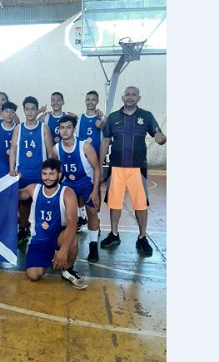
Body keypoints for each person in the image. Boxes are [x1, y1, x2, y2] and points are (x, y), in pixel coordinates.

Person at [98, 86, 167, 255]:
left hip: (138, 168)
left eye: (133, 94)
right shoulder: (113, 117)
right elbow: (105, 142)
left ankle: (142, 237)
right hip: (116, 168)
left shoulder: (147, 116)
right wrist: (99, 166)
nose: (130, 97)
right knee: (114, 203)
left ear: (139, 98)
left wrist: (162, 139)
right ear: (122, 98)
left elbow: (160, 136)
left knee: (140, 205)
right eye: (127, 94)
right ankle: (114, 234)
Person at [18, 158, 87, 289]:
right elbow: (16, 195)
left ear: (59, 175)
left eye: (51, 174)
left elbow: (73, 222)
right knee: (33, 275)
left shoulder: (67, 192)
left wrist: (64, 250)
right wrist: (10, 181)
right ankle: (51, 256)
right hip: (41, 238)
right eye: (44, 174)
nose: (47, 178)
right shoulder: (34, 189)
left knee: (71, 239)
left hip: (58, 235)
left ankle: (67, 269)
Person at [54, 115, 101, 262]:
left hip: (86, 183)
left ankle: (93, 245)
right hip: (68, 184)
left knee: (92, 212)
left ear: (74, 129)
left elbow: (97, 168)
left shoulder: (85, 146)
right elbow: (55, 171)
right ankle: (63, 243)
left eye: (68, 127)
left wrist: (95, 191)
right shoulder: (56, 149)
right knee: (65, 216)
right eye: (62, 127)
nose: (65, 130)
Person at [9, 96, 56, 244]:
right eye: (27, 109)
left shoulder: (43, 128)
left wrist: (51, 173)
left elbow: (50, 151)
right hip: (22, 173)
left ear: (37, 110)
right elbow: (13, 150)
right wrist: (11, 169)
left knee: (44, 203)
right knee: (24, 203)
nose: (30, 112)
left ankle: (45, 232)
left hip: (40, 174)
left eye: (33, 109)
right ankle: (23, 228)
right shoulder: (18, 128)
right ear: (24, 110)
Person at [75, 90, 106, 230]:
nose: (90, 102)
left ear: (97, 101)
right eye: (88, 99)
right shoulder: (80, 119)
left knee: (96, 190)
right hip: (82, 161)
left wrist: (103, 123)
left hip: (95, 162)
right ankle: (82, 216)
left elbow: (107, 138)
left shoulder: (102, 118)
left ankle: (95, 219)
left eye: (93, 99)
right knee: (80, 188)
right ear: (85, 101)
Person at [0, 101, 17, 177]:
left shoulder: (19, 128)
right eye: (6, 111)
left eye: (12, 112)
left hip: (16, 168)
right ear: (2, 113)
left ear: (15, 114)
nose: (9, 114)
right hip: (0, 167)